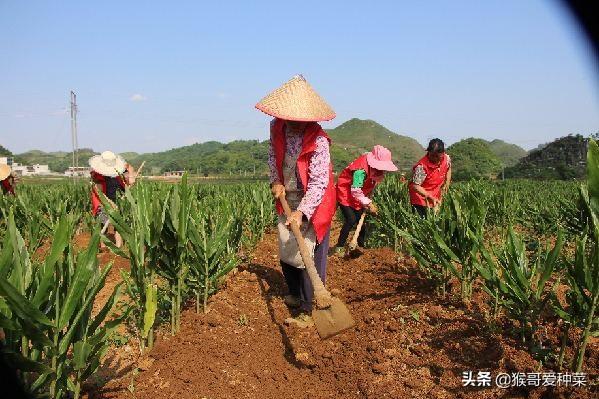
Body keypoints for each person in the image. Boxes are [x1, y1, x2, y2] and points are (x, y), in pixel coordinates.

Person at [256, 75, 337, 327]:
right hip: (286, 194)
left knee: (308, 252)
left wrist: (302, 212)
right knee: (286, 246)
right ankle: (293, 292)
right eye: (291, 118)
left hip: (314, 199)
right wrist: (275, 180)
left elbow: (318, 183)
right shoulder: (276, 127)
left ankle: (307, 307)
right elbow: (273, 155)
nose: (294, 123)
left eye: (300, 120)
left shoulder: (319, 141)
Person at [329, 145, 398, 255]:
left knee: (361, 221)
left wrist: (367, 198)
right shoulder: (360, 171)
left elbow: (369, 184)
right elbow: (355, 190)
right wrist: (369, 204)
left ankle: (361, 246)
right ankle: (340, 246)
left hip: (359, 195)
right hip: (345, 193)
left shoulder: (373, 168)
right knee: (351, 219)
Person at [89, 151, 137, 248]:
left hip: (117, 202)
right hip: (102, 204)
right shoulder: (98, 176)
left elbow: (130, 183)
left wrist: (131, 171)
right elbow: (100, 193)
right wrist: (110, 203)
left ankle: (119, 247)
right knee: (103, 225)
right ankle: (103, 247)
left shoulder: (117, 176)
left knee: (118, 225)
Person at [409, 138, 452, 217]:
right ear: (428, 152)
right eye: (432, 155)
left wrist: (447, 183)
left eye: (437, 156)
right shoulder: (421, 167)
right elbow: (415, 185)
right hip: (420, 198)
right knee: (421, 222)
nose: (435, 158)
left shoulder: (447, 159)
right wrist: (429, 196)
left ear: (443, 153)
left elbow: (448, 168)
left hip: (435, 196)